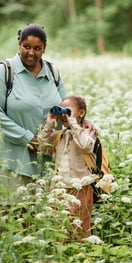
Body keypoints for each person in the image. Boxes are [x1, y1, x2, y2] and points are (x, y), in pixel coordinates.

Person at [0, 23, 95, 206]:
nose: (31, 53)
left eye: (37, 48)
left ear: (44, 49)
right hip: (11, 157)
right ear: (19, 44)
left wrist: (85, 122)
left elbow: (66, 104)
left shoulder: (52, 72)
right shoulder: (5, 71)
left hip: (45, 158)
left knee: (39, 217)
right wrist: (28, 138)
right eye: (26, 47)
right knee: (9, 214)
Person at [38, 95, 96, 240]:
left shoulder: (88, 132)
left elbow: (85, 146)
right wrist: (50, 122)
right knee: (59, 228)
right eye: (61, 112)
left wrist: (74, 123)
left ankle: (81, 257)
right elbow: (42, 147)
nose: (64, 115)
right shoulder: (60, 135)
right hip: (60, 189)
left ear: (81, 113)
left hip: (81, 188)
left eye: (68, 111)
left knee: (80, 229)